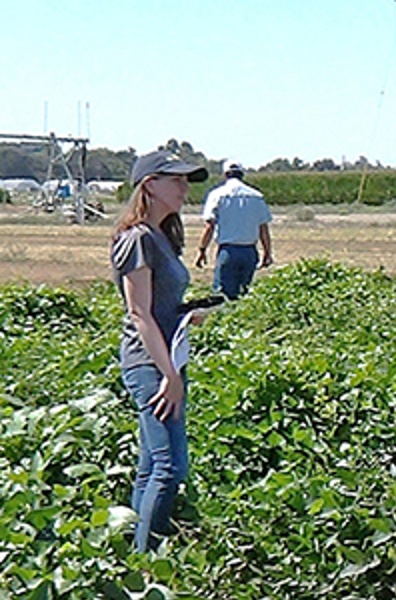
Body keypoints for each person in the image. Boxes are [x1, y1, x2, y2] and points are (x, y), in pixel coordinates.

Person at [111, 150, 209, 552]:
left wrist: (190, 311)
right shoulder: (136, 239)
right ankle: (146, 563)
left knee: (153, 464)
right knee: (170, 468)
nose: (185, 188)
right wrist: (168, 376)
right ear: (150, 185)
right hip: (150, 362)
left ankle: (134, 553)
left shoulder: (161, 237)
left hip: (168, 357)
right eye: (177, 180)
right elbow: (138, 314)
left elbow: (160, 305)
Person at [195, 162, 273, 299]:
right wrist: (267, 252)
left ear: (225, 175)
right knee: (243, 294)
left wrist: (202, 250)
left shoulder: (217, 195)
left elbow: (209, 226)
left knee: (222, 295)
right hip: (250, 252)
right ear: (242, 174)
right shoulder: (256, 196)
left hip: (228, 251)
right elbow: (263, 228)